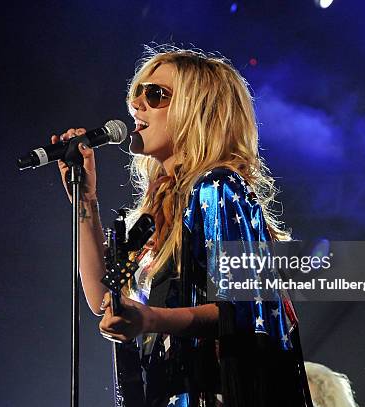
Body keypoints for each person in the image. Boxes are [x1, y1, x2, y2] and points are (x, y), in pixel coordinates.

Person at [52, 45, 313, 406]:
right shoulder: (155, 209)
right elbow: (103, 300)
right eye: (136, 94)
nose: (136, 104)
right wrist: (85, 202)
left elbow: (242, 308)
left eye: (155, 95)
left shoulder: (218, 188)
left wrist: (150, 319)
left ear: (197, 112)